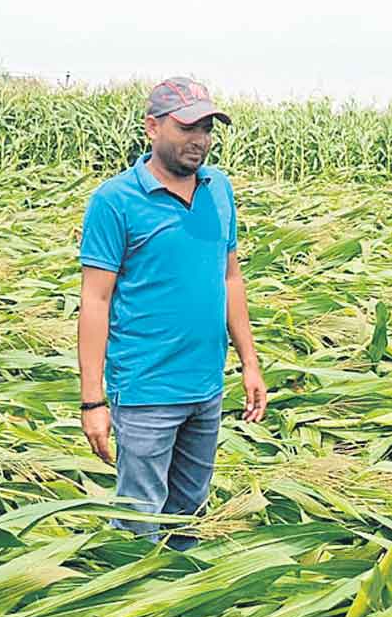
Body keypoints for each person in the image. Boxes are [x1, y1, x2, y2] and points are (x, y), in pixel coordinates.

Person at [77, 76, 267, 550]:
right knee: (138, 521)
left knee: (189, 512)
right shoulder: (115, 201)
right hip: (145, 393)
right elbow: (95, 302)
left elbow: (231, 278)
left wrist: (249, 363)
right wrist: (92, 401)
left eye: (206, 127)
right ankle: (133, 605)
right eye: (187, 127)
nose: (199, 139)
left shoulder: (218, 189)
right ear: (151, 128)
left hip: (206, 386)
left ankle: (178, 598)